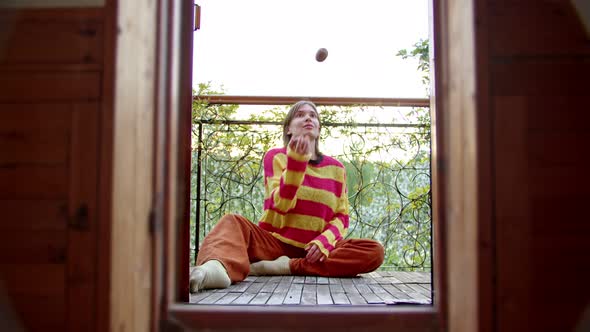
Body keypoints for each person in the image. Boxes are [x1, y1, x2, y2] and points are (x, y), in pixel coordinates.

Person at [190, 100, 384, 292]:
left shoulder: (336, 168)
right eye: (300, 115)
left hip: (315, 251)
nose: (308, 117)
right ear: (288, 129)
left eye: (313, 115)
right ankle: (215, 268)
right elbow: (279, 205)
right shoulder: (276, 157)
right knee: (232, 222)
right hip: (274, 245)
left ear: (318, 128)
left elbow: (341, 217)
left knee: (373, 251)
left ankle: (287, 266)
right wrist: (296, 164)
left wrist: (324, 241)